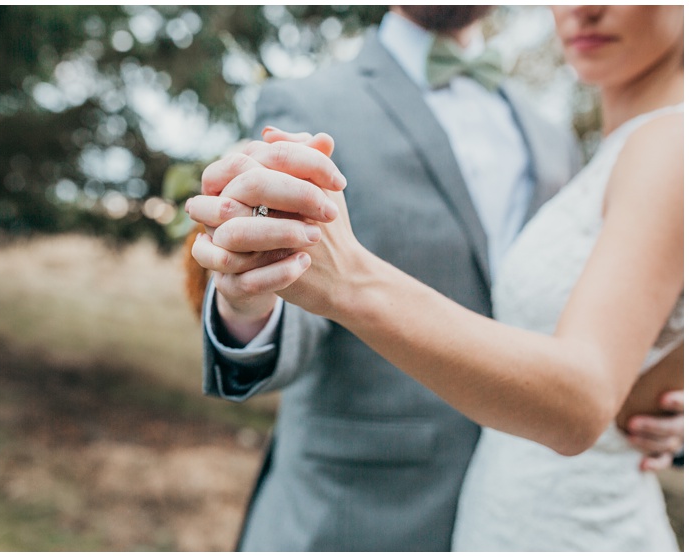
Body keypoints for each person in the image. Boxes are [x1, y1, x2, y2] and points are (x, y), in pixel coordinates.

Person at [184, 7, 684, 551]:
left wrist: (657, 408)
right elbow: (294, 269)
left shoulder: (552, 135)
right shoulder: (312, 102)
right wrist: (247, 299)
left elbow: (605, 327)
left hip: (531, 509)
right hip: (358, 517)